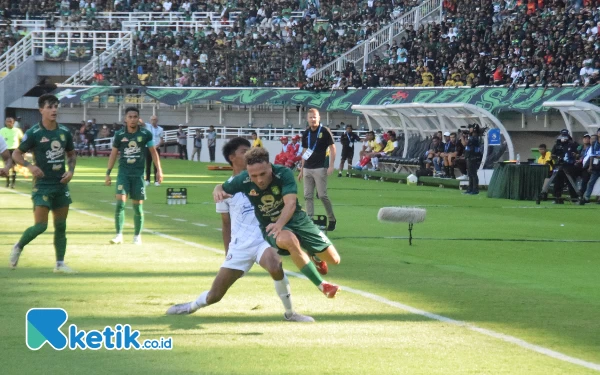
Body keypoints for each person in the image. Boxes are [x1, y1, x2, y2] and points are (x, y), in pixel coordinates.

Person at [166, 138, 314, 322]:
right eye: (244, 151)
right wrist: (228, 252)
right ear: (232, 157)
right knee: (215, 295)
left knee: (275, 265)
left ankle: (290, 313)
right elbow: (225, 223)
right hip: (240, 246)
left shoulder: (265, 179)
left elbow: (288, 207)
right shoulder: (225, 189)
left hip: (263, 239)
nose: (249, 154)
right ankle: (190, 306)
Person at [213, 147, 340, 298]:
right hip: (270, 226)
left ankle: (315, 255)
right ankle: (323, 285)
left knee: (334, 260)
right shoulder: (243, 179)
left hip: (297, 219)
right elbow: (222, 186)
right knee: (289, 240)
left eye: (263, 174)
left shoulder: (283, 174)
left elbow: (291, 204)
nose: (259, 180)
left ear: (270, 166)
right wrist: (217, 189)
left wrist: (279, 223)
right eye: (254, 176)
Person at [9, 94, 77, 273]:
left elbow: (71, 154)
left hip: (61, 184)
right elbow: (16, 154)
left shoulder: (64, 132)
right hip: (42, 186)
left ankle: (60, 264)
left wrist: (70, 171)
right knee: (41, 226)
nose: (54, 110)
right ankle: (18, 246)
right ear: (41, 110)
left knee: (61, 226)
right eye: (50, 107)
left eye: (56, 106)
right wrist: (30, 166)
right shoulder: (34, 133)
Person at [105, 107, 163, 245]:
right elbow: (113, 154)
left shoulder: (145, 134)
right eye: (130, 117)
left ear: (138, 118)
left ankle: (137, 236)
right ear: (125, 119)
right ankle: (119, 235)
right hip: (123, 174)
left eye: (135, 116)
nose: (132, 119)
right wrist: (108, 173)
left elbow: (153, 153)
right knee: (120, 203)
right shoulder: (119, 135)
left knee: (138, 207)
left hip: (138, 176)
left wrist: (159, 170)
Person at [299, 108, 337, 231]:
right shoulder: (306, 133)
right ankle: (309, 220)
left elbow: (332, 148)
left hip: (320, 168)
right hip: (307, 168)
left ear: (319, 118)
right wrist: (301, 169)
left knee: (322, 195)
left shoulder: (325, 131)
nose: (312, 119)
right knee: (307, 195)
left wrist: (331, 165)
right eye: (310, 117)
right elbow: (305, 151)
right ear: (307, 119)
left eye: (314, 117)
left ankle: (331, 218)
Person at [0, 117, 23, 188]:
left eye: (11, 121)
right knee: (6, 165)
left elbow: (22, 139)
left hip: (14, 150)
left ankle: (13, 183)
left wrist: (22, 151)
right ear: (5, 122)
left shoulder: (17, 130)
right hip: (6, 149)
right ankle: (7, 182)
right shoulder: (2, 130)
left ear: (13, 122)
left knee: (13, 167)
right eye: (8, 121)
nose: (9, 123)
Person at [461, 124, 482, 195]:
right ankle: (470, 188)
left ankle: (475, 189)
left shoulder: (474, 137)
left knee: (473, 174)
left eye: (471, 128)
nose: (469, 129)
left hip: (472, 157)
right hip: (470, 156)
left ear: (474, 129)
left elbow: (464, 144)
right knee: (470, 174)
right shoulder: (472, 137)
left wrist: (462, 136)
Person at [145, 115, 164, 186]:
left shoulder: (160, 129)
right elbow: (141, 123)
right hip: (148, 147)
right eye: (152, 119)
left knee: (156, 165)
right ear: (150, 120)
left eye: (155, 119)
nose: (153, 121)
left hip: (156, 148)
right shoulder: (147, 126)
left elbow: (162, 140)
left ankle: (156, 180)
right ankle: (147, 180)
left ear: (157, 120)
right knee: (148, 164)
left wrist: (157, 146)